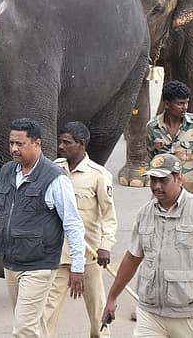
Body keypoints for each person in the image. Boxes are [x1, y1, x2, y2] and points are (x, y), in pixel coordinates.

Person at [101, 153, 193, 337]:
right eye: (153, 180)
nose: (156, 186)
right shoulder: (144, 214)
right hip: (150, 314)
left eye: (163, 180)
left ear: (179, 179)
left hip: (192, 317)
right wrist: (112, 297)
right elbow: (132, 258)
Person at [0, 118, 86, 338]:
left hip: (39, 264)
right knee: (33, 324)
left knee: (23, 329)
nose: (14, 148)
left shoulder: (55, 179)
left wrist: (77, 267)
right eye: (11, 143)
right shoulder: (6, 172)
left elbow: (73, 224)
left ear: (37, 144)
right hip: (11, 263)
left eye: (20, 144)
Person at [43, 122, 117, 338]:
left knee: (98, 315)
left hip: (89, 258)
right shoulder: (53, 169)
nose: (61, 146)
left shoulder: (99, 175)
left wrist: (105, 246)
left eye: (67, 142)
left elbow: (109, 217)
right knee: (47, 314)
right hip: (59, 255)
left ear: (81, 145)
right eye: (60, 141)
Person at [146, 81, 193, 204]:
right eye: (180, 104)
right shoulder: (153, 128)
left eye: (186, 102)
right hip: (165, 196)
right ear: (167, 104)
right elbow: (151, 164)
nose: (185, 107)